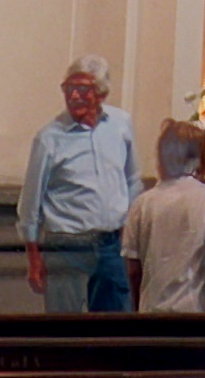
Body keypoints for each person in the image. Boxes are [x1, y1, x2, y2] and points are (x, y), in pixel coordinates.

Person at [20, 55, 140, 313]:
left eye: (83, 89)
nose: (74, 96)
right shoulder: (49, 138)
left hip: (111, 244)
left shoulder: (121, 125)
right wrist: (33, 257)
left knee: (116, 330)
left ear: (100, 94)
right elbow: (30, 201)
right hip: (66, 245)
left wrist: (128, 230)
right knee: (65, 330)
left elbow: (132, 180)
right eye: (69, 88)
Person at [122, 120, 205, 313]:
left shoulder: (142, 204)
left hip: (152, 312)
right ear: (201, 158)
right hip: (197, 311)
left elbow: (133, 270)